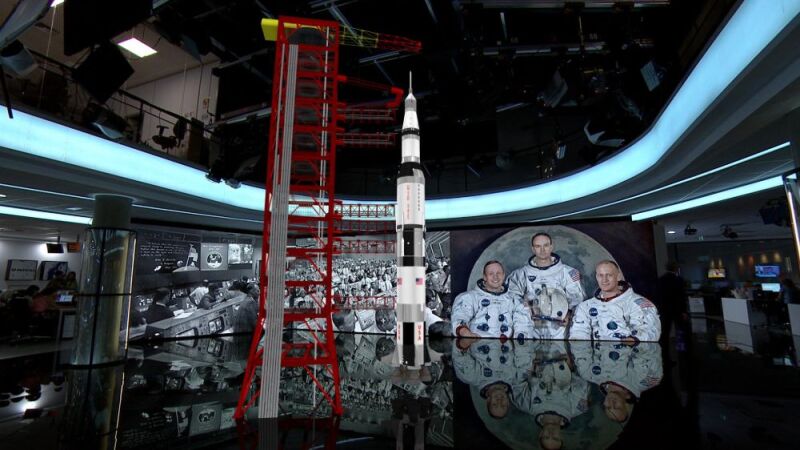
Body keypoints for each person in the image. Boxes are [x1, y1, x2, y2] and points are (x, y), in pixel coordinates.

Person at [508, 232, 586, 339]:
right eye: (538, 246)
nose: (542, 250)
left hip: (559, 328)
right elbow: (511, 298)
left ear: (551, 246)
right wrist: (527, 307)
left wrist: (568, 314)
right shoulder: (521, 274)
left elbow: (577, 298)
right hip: (532, 327)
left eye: (545, 245)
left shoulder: (567, 272)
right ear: (533, 249)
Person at [570, 260, 661, 342]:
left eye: (609, 275)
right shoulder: (585, 307)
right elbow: (579, 335)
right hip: (598, 354)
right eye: (600, 275)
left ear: (618, 276)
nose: (604, 280)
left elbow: (650, 331)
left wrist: (633, 340)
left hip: (631, 353)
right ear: (596, 277)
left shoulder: (638, 304)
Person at [452, 260, 533, 339]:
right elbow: (460, 318)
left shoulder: (514, 300)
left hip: (505, 346)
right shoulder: (470, 298)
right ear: (485, 277)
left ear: (503, 275)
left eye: (498, 273)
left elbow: (523, 325)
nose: (495, 277)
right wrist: (466, 334)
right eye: (491, 274)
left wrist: (520, 340)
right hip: (477, 344)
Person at [655, 261, 688, 342]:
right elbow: (681, 297)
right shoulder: (679, 280)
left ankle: (664, 349)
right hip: (678, 309)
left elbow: (658, 296)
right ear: (676, 268)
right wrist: (684, 311)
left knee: (665, 332)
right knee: (681, 330)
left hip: (664, 309)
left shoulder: (661, 280)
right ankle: (681, 347)